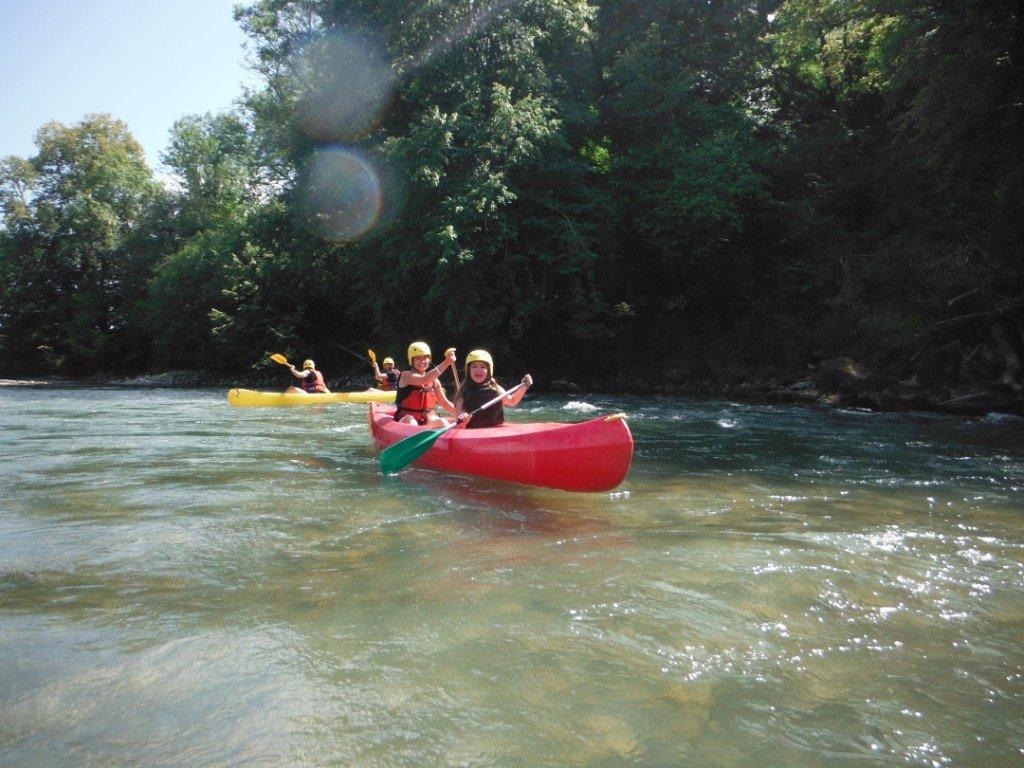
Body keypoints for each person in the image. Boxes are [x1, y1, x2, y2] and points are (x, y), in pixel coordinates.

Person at [454, 349, 532, 428]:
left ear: (488, 370)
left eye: (482, 367)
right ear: (469, 370)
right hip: (473, 432)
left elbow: (512, 401)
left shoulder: (495, 388)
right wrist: (463, 420)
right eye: (474, 366)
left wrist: (523, 387)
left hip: (495, 430)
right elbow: (459, 424)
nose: (478, 370)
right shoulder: (463, 393)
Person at [394, 342, 456, 427]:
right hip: (406, 419)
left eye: (425, 358)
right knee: (411, 423)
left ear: (429, 359)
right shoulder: (406, 376)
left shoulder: (434, 381)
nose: (422, 361)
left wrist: (460, 413)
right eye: (418, 358)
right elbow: (424, 379)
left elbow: (444, 403)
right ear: (411, 360)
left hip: (427, 419)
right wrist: (446, 362)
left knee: (443, 422)